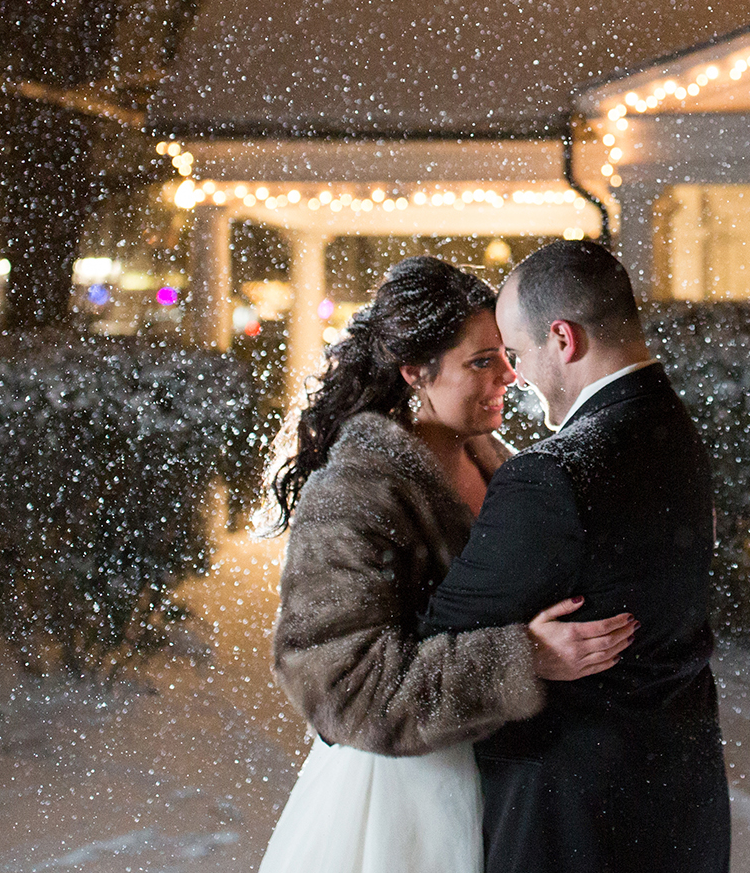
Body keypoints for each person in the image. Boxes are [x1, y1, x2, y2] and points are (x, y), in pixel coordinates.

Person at [258, 256, 637, 873]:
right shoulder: (358, 490)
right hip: (402, 807)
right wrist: (523, 659)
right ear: (415, 372)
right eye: (481, 361)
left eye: (507, 354)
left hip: (503, 784)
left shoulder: (502, 463)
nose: (510, 376)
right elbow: (338, 686)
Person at [419, 240, 730, 873]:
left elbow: (425, 651)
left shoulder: (551, 478)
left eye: (516, 353)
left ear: (562, 339)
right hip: (680, 806)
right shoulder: (674, 431)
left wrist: (519, 656)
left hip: (567, 822)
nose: (515, 377)